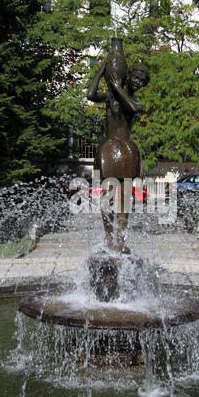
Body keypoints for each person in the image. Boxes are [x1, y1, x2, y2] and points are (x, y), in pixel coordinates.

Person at [87, 60, 150, 253]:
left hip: (127, 151)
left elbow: (131, 106)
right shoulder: (110, 96)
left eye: (142, 81)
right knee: (105, 201)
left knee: (124, 201)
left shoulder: (137, 103)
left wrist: (116, 87)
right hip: (109, 150)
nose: (138, 82)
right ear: (128, 75)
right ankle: (108, 238)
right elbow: (90, 94)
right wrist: (102, 69)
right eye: (136, 77)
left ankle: (120, 240)